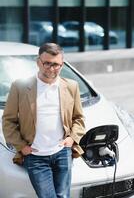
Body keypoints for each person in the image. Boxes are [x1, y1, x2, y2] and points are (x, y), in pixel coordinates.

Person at [2, 43, 85, 198]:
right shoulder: (20, 86)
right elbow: (8, 121)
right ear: (38, 62)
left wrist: (71, 139)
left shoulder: (71, 86)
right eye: (47, 63)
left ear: (62, 64)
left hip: (62, 153)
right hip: (35, 157)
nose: (51, 68)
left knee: (63, 196)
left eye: (56, 65)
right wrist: (22, 146)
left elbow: (79, 118)